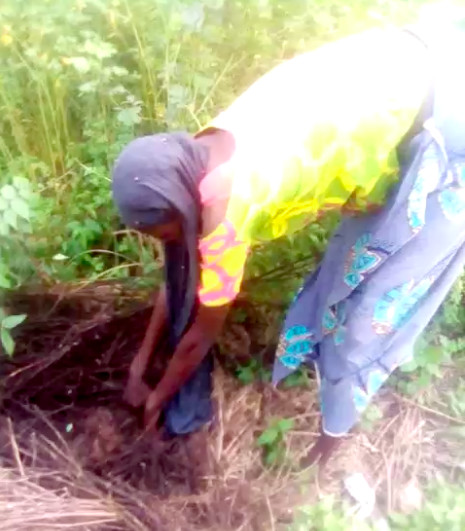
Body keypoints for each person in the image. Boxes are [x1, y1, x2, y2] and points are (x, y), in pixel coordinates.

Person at [112, 24, 465, 465]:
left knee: (374, 305)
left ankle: (329, 444)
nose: (164, 243)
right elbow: (178, 273)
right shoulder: (199, 152)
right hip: (392, 61)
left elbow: (198, 339)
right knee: (347, 270)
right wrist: (138, 365)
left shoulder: (224, 217)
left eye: (159, 233)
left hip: (448, 119)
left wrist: (156, 398)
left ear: (175, 207)